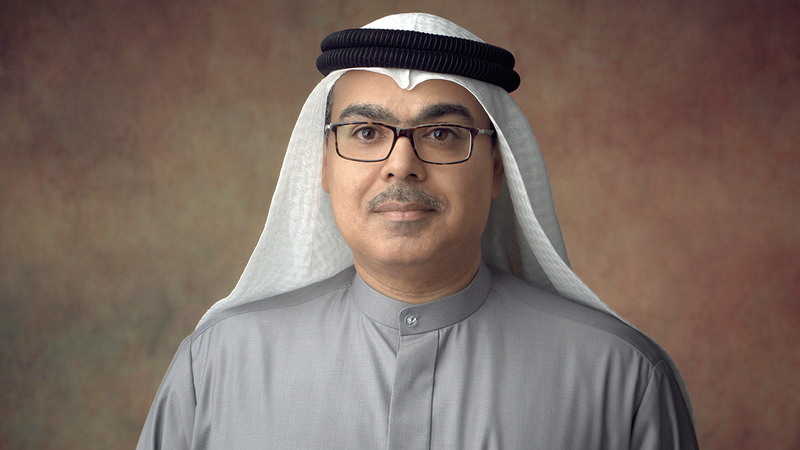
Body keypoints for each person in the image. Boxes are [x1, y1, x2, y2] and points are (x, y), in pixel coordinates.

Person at [137, 13, 698, 449]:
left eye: (442, 134)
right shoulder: (215, 367)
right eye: (366, 132)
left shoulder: (623, 377)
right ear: (324, 166)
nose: (401, 165)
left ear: (498, 168)